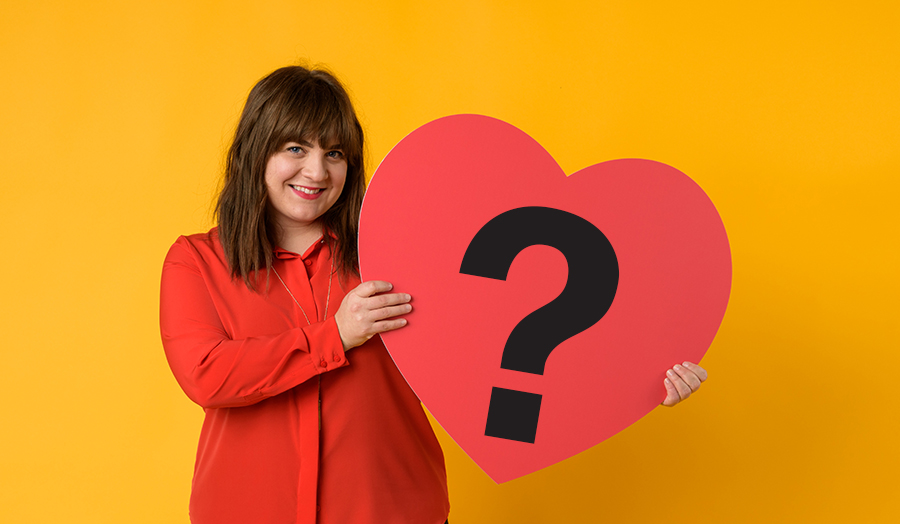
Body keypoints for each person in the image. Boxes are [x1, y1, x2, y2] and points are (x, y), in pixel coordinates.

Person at [160, 65, 707, 524]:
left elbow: (505, 345)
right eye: (295, 148)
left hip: (394, 509)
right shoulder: (197, 261)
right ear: (253, 152)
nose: (316, 170)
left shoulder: (398, 249)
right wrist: (337, 336)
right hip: (246, 511)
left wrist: (636, 379)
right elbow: (206, 373)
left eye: (335, 153)